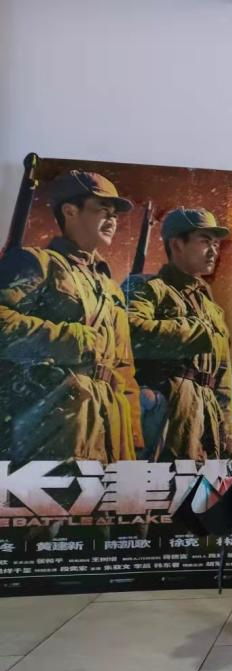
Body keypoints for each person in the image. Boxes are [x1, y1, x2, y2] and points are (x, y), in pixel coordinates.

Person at [0, 170, 142, 463]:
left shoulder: (111, 287)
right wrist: (71, 339)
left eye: (115, 214)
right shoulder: (38, 263)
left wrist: (134, 436)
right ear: (70, 211)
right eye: (103, 209)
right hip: (58, 421)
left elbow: (124, 366)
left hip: (112, 425)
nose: (112, 219)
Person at [127, 207, 232, 461]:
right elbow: (130, 331)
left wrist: (229, 433)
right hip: (168, 411)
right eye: (205, 242)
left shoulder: (212, 309)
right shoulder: (148, 288)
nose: (214, 251)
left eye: (216, 244)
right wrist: (195, 333)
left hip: (207, 418)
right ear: (177, 245)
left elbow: (222, 379)